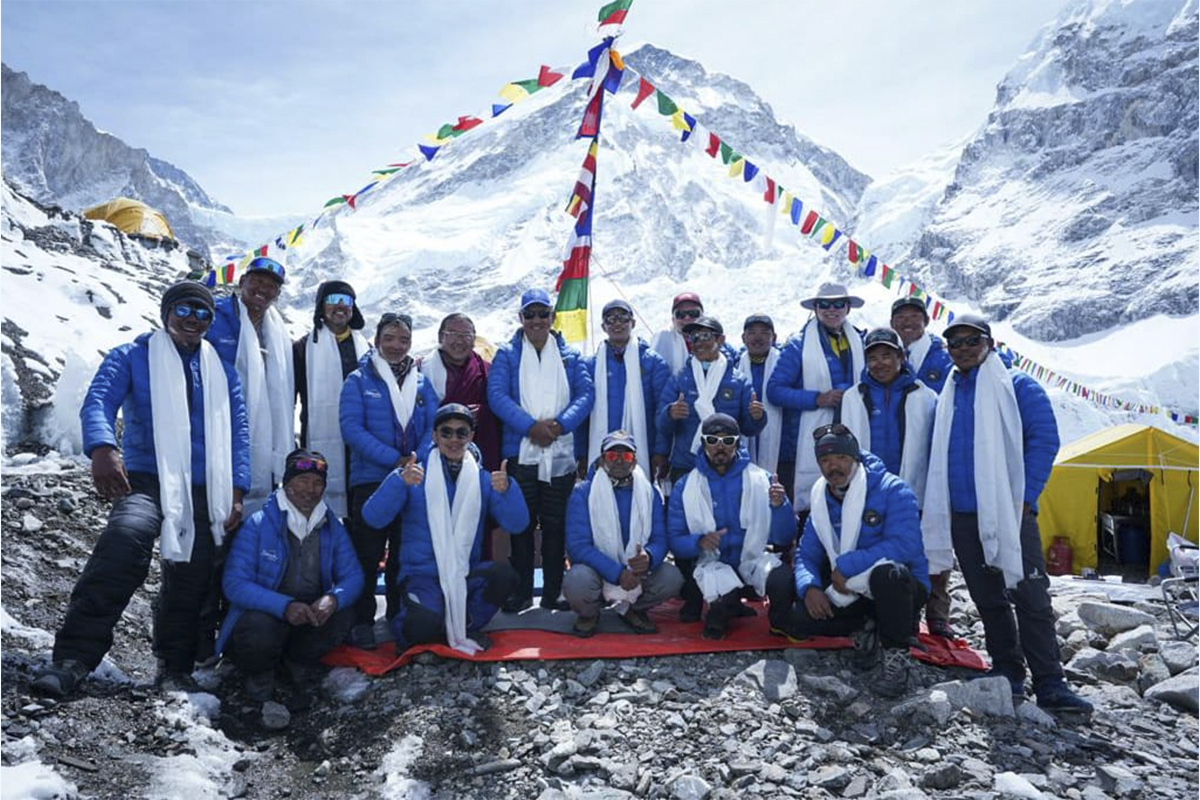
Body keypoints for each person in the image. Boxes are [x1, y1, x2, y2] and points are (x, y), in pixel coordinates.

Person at [33, 281, 250, 696]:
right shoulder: (133, 356)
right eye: (184, 310)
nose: (193, 320)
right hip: (146, 477)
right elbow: (98, 401)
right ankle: (73, 659)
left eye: (203, 314)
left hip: (205, 487)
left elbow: (238, 432)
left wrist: (238, 489)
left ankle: (174, 666)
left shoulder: (221, 370)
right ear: (166, 312)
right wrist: (102, 447)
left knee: (192, 577)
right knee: (123, 543)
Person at [922, 313, 1092, 713]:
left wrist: (1025, 498)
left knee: (1030, 594)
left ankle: (1050, 681)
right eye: (955, 343)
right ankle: (1007, 669)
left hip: (1008, 512)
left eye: (971, 340)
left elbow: (1044, 441)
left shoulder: (1017, 386)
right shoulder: (948, 392)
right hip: (963, 514)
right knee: (988, 598)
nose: (962, 348)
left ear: (990, 343)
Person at [766, 426, 929, 697]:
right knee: (798, 619)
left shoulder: (892, 489)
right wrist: (811, 588)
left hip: (900, 586)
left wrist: (848, 565)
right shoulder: (821, 497)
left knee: (886, 575)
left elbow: (905, 545)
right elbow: (807, 553)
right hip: (848, 588)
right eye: (826, 461)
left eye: (841, 458)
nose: (834, 467)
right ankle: (868, 627)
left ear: (855, 458)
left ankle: (896, 656)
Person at [361, 404, 529, 653]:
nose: (453, 439)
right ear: (434, 435)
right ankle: (428, 625)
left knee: (504, 576)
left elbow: (517, 524)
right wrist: (398, 482)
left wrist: (508, 490)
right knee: (421, 625)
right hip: (422, 575)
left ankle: (464, 625)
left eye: (461, 433)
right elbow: (372, 518)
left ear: (471, 436)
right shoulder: (414, 475)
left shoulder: (483, 479)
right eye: (446, 432)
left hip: (463, 573)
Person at [217, 449, 363, 710]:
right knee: (257, 626)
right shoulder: (258, 524)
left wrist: (332, 599)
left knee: (344, 614)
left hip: (309, 612)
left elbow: (352, 576)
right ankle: (259, 676)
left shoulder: (331, 526)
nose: (311, 489)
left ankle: (297, 665)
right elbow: (235, 584)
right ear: (287, 483)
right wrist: (283, 606)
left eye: (318, 483)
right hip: (269, 613)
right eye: (303, 481)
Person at [488, 289, 594, 611]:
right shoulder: (507, 354)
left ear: (552, 317)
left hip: (560, 453)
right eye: (529, 314)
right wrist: (530, 426)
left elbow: (585, 395)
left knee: (555, 524)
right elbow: (497, 395)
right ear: (521, 318)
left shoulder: (570, 356)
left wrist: (560, 426)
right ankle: (520, 591)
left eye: (542, 314)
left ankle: (553, 591)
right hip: (522, 451)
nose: (536, 321)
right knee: (521, 524)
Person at [840, 327, 945, 636]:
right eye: (872, 357)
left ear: (901, 357)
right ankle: (870, 614)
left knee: (913, 553)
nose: (880, 363)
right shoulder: (853, 396)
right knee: (868, 549)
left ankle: (910, 617)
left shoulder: (926, 397)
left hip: (913, 492)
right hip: (866, 493)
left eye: (887, 355)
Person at [339, 313, 438, 641]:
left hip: (411, 479)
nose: (397, 346)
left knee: (402, 552)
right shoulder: (358, 380)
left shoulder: (421, 381)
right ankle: (362, 620)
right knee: (366, 554)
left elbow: (433, 428)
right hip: (370, 479)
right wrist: (394, 460)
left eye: (404, 340)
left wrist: (414, 460)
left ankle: (398, 615)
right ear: (377, 340)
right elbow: (352, 429)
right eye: (390, 339)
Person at [667, 414, 793, 637]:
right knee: (716, 623)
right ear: (703, 442)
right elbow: (675, 541)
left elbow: (784, 538)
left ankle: (779, 623)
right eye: (713, 441)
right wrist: (699, 542)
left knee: (783, 579)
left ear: (737, 442)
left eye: (727, 441)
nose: (720, 447)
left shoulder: (762, 480)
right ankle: (720, 606)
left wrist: (779, 506)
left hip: (751, 558)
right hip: (711, 562)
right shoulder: (686, 485)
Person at [564, 431, 683, 636]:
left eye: (626, 455)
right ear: (602, 460)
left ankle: (633, 609)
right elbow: (577, 546)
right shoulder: (583, 492)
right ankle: (589, 614)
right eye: (612, 455)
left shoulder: (649, 492)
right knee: (577, 581)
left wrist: (649, 557)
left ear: (635, 461)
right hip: (598, 572)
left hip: (637, 572)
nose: (619, 461)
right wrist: (617, 573)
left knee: (671, 577)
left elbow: (660, 538)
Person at [206, 256, 295, 516]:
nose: (263, 290)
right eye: (257, 281)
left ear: (277, 293)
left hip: (264, 431)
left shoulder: (278, 332)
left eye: (271, 287)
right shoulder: (215, 315)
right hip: (218, 422)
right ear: (242, 282)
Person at [767, 282, 865, 513]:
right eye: (825, 305)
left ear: (848, 308)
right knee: (811, 504)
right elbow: (775, 390)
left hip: (850, 431)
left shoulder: (860, 342)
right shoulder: (798, 346)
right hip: (806, 437)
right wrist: (817, 399)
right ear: (816, 308)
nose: (832, 310)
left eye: (839, 304)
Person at [655, 316, 765, 483]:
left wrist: (757, 417)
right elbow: (661, 425)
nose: (699, 342)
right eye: (694, 337)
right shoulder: (679, 379)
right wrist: (670, 414)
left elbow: (749, 429)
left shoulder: (738, 381)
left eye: (705, 336)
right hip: (686, 463)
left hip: (727, 463)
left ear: (720, 340)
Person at [293, 280, 370, 518]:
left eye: (345, 301)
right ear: (321, 307)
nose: (339, 306)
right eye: (332, 300)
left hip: (359, 441)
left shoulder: (365, 349)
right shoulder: (304, 348)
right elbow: (289, 400)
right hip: (318, 438)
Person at [576, 299, 671, 480]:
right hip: (601, 449)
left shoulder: (653, 363)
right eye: (611, 319)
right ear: (603, 326)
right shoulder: (590, 365)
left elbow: (662, 412)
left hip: (643, 447)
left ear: (633, 323)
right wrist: (581, 453)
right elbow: (583, 415)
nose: (617, 323)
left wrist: (661, 451)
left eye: (623, 318)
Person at [419, 313, 501, 471]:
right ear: (440, 337)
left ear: (474, 339)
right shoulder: (421, 370)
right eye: (453, 334)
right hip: (432, 450)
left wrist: (484, 412)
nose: (459, 340)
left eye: (466, 335)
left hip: (478, 449)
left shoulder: (487, 370)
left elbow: (501, 406)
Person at [737, 314, 799, 499]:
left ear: (774, 337)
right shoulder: (733, 367)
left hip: (782, 450)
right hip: (746, 448)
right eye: (752, 333)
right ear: (743, 338)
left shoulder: (788, 366)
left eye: (764, 333)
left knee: (782, 501)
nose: (758, 337)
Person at [890, 296, 952, 393]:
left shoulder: (947, 359)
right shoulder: (882, 357)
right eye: (900, 317)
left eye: (914, 316)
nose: (908, 322)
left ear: (926, 321)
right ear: (892, 323)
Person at [649, 291, 704, 377]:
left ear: (703, 317)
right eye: (680, 314)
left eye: (693, 313)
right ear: (673, 319)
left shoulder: (714, 338)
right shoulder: (664, 337)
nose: (687, 318)